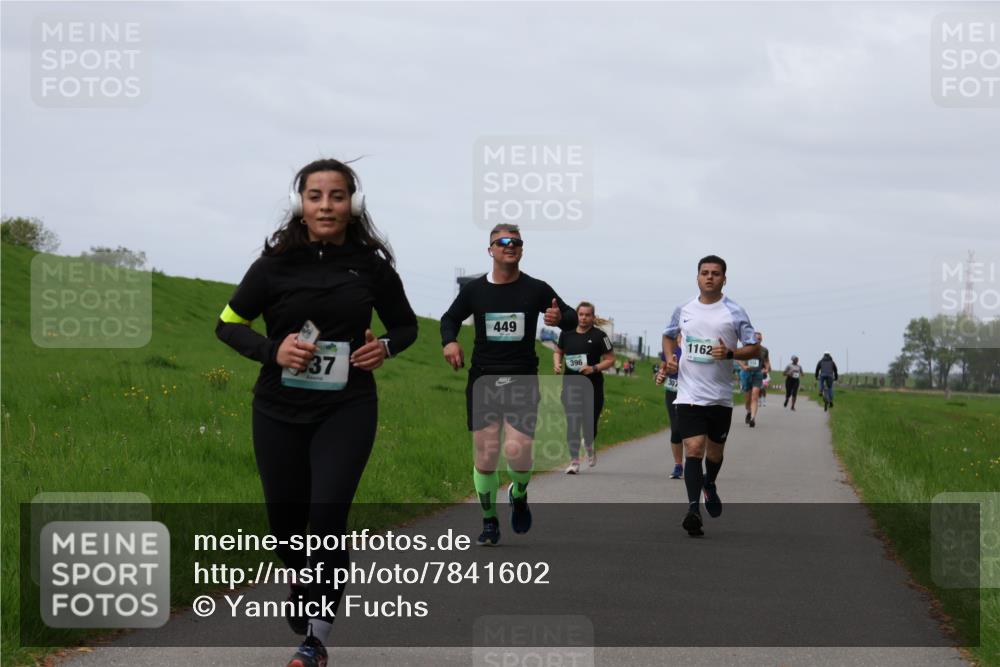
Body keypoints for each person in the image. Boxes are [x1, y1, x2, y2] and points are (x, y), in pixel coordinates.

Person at [216, 158, 418, 667]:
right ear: (299, 205)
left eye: (337, 195)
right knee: (286, 527)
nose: (326, 205)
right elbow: (228, 322)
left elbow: (406, 326)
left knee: (326, 516)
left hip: (347, 408)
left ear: (354, 203)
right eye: (315, 196)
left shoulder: (371, 267)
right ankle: (303, 582)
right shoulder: (273, 266)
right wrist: (272, 351)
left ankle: (316, 638)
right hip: (277, 409)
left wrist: (385, 349)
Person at [440, 224, 576, 546]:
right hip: (484, 379)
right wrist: (450, 342)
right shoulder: (474, 291)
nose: (509, 246)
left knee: (518, 452)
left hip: (522, 378)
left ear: (521, 249)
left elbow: (569, 316)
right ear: (490, 250)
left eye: (515, 242)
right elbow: (449, 319)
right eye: (501, 242)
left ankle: (519, 492)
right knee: (486, 458)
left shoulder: (536, 288)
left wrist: (560, 319)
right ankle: (489, 521)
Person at [656, 255, 758, 537]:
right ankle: (692, 509)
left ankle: (709, 483)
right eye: (704, 273)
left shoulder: (735, 312)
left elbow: (754, 349)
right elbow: (668, 336)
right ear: (697, 277)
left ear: (724, 279)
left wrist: (730, 353)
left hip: (720, 397)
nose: (709, 277)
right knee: (694, 448)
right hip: (689, 393)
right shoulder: (684, 309)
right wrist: (670, 359)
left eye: (715, 273)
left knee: (714, 453)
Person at [553, 302, 615, 473]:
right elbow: (558, 351)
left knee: (589, 425)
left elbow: (610, 359)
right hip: (571, 386)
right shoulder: (566, 334)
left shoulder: (600, 336)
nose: (584, 318)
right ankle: (574, 462)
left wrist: (593, 368)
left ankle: (589, 445)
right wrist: (557, 364)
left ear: (593, 317)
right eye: (581, 314)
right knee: (572, 424)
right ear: (577, 315)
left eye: (587, 315)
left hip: (592, 387)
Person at [661, 342, 684, 479]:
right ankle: (678, 464)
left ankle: (694, 461)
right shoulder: (670, 344)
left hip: (693, 391)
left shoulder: (695, 338)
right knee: (675, 429)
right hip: (673, 390)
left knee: (691, 429)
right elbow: (664, 367)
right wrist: (662, 374)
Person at [737, 332, 769, 427]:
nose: (757, 340)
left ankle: (753, 418)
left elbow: (766, 361)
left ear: (761, 340)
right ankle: (749, 411)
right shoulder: (746, 347)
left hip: (757, 374)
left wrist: (766, 369)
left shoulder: (764, 350)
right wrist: (743, 366)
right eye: (756, 339)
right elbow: (737, 357)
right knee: (747, 398)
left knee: (755, 396)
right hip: (746, 373)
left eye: (759, 339)